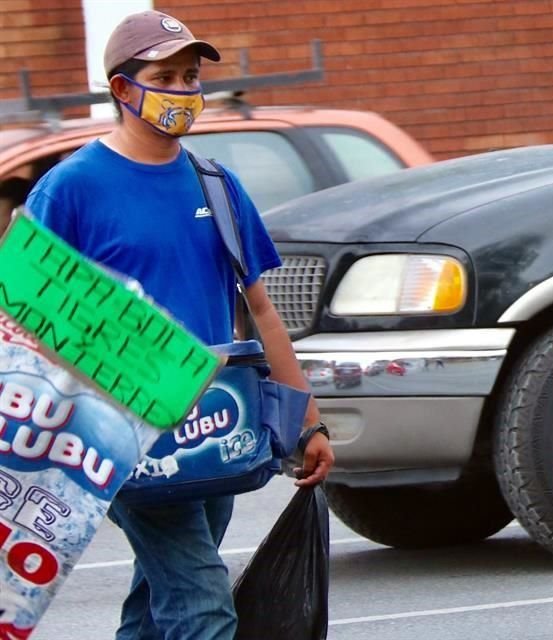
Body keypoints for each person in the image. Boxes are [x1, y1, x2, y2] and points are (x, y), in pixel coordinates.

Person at [25, 10, 335, 640]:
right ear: (121, 89)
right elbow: (26, 319)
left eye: (191, 76)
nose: (184, 92)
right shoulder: (71, 190)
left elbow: (262, 310)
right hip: (122, 437)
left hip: (219, 427)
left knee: (157, 603)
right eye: (165, 76)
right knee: (202, 606)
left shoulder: (216, 185)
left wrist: (308, 421)